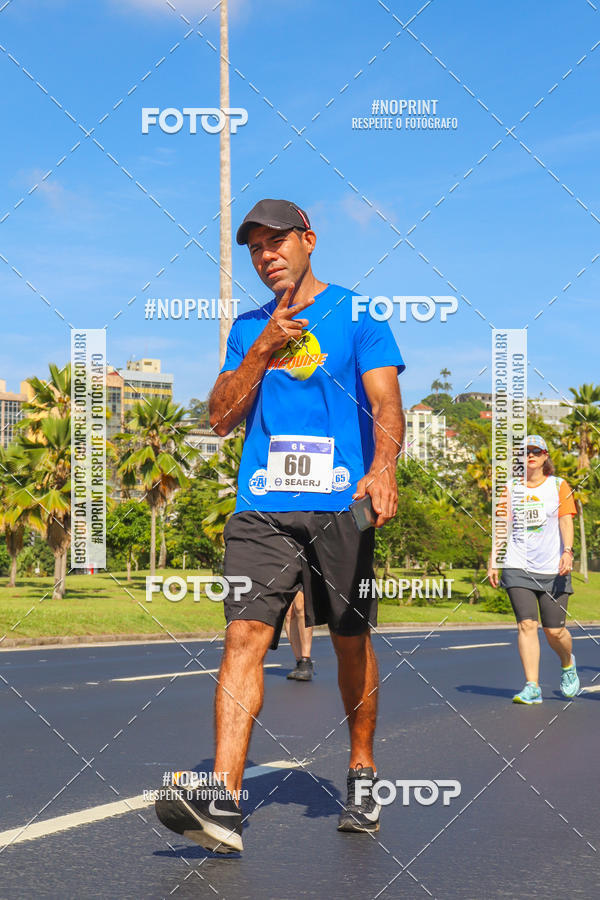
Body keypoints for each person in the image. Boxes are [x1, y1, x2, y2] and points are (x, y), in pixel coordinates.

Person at [155, 198, 405, 852]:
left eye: (277, 242)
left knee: (350, 640)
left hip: (341, 502)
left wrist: (383, 468)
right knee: (243, 636)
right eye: (255, 248)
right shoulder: (246, 328)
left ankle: (361, 769)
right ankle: (224, 805)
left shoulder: (359, 313)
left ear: (309, 240)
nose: (267, 256)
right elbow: (219, 417)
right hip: (262, 503)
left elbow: (385, 402)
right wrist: (261, 350)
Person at [488, 434, 580, 705]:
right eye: (525, 451)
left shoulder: (559, 486)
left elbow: (565, 522)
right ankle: (532, 687)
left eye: (536, 451)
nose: (530, 455)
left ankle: (567, 663)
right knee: (527, 624)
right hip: (517, 565)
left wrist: (567, 551)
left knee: (554, 631)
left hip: (553, 568)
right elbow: (502, 525)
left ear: (545, 456)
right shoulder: (509, 488)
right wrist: (495, 558)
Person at [284, 590, 314, 681]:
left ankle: (306, 660)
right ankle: (299, 662)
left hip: (304, 575)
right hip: (284, 575)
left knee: (300, 605)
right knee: (289, 613)